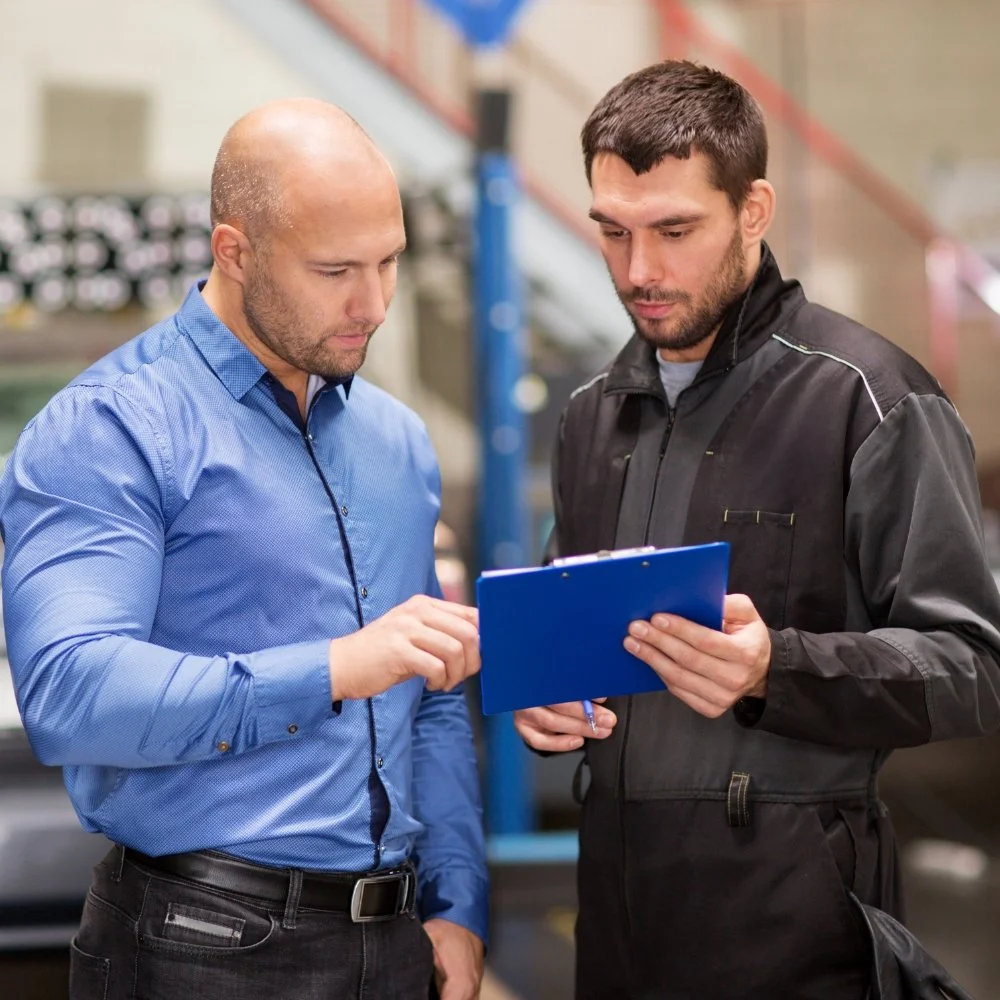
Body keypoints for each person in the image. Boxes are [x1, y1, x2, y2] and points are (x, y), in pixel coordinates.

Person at [514, 60, 1000, 999]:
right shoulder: (590, 416)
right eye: (612, 232)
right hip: (617, 919)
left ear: (753, 210)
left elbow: (973, 667)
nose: (639, 271)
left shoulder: (870, 399)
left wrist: (776, 666)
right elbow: (565, 627)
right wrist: (547, 703)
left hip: (796, 923)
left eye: (674, 232)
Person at [0, 100, 487, 1000]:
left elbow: (433, 692)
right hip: (200, 946)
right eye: (335, 270)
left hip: (395, 943)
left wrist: (457, 900)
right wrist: (333, 668)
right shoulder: (111, 428)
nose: (374, 304)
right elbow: (71, 692)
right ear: (235, 251)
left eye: (388, 262)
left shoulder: (398, 442)